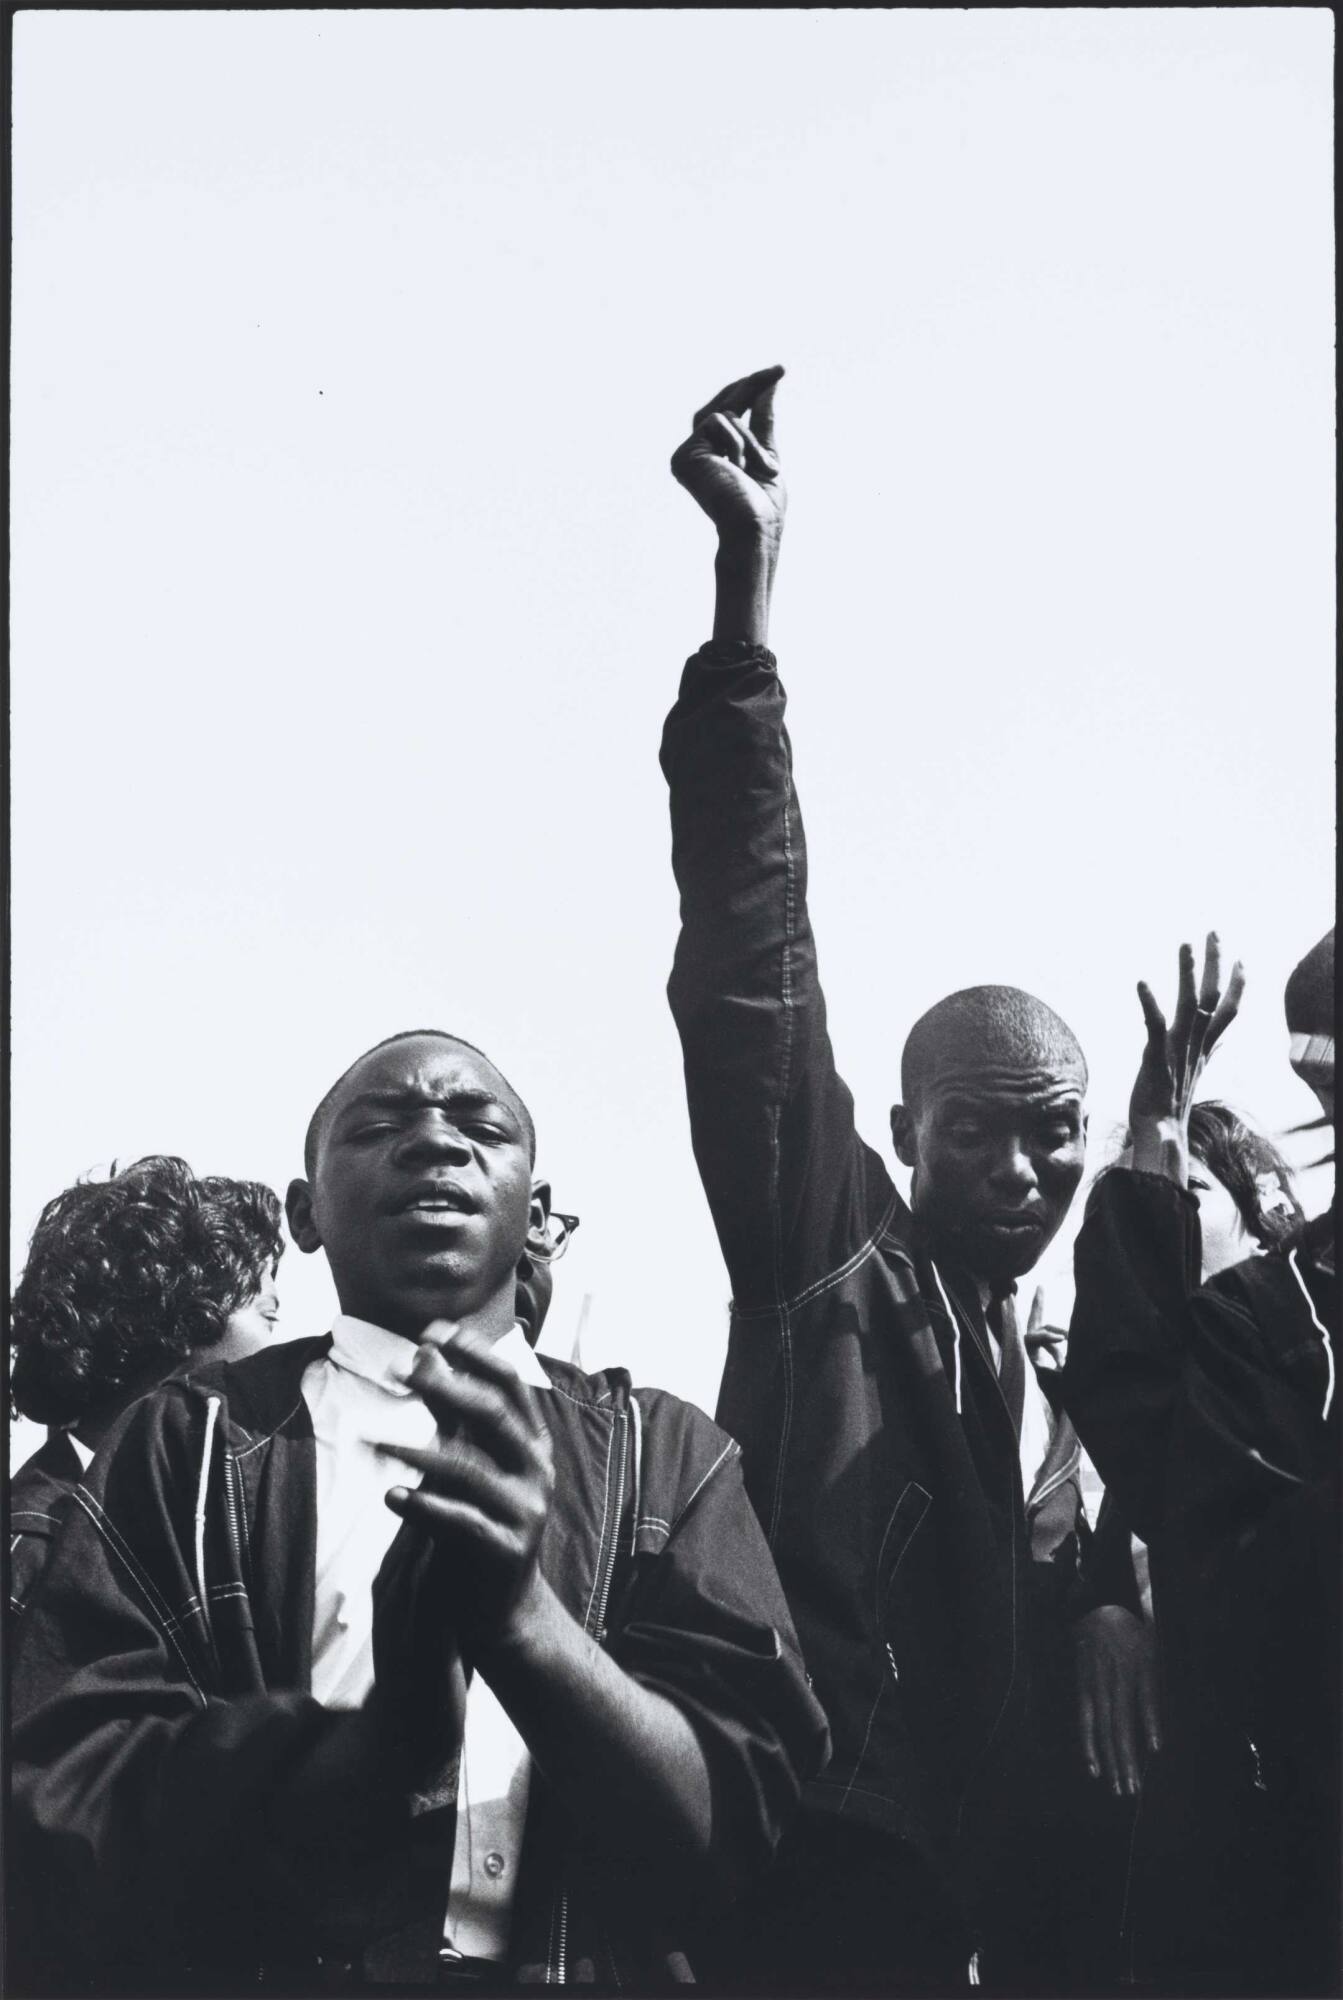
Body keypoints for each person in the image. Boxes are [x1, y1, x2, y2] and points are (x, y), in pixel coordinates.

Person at [10, 1030, 828, 1991]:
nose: (437, 1141)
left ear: (535, 1215)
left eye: (481, 1125)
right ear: (304, 1216)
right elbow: (73, 1795)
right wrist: (380, 1745)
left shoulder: (668, 1454)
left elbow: (740, 1818)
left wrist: (524, 1628)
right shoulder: (187, 1439)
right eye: (380, 1126)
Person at [661, 368, 1134, 1994]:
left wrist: (1110, 1595)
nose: (1019, 1169)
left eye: (1051, 1132)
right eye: (975, 1131)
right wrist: (745, 604)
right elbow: (750, 965)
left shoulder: (1056, 1394)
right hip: (820, 1862)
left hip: (990, 1905)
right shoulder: (834, 1261)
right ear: (901, 1133)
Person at [1063, 931, 1337, 1995]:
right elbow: (1161, 1466)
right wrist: (1099, 1598)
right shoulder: (1261, 1325)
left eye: (1189, 1186)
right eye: (1154, 1190)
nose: (1163, 1202)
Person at [9, 1155, 284, 1621]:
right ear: (181, 1323)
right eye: (268, 1317)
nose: (278, 1353)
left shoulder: (200, 1525)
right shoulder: (28, 1549)